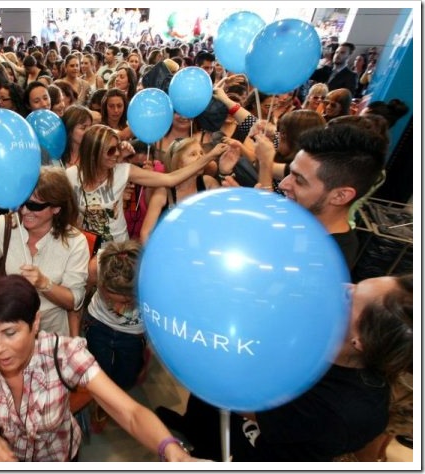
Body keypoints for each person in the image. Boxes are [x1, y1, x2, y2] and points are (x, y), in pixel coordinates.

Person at [155, 274, 413, 462]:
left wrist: (195, 354)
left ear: (361, 341)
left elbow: (237, 399)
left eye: (350, 296)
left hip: (255, 452)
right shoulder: (327, 333)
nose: (343, 286)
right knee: (205, 428)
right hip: (232, 421)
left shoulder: (341, 410)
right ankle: (193, 434)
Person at [0, 274, 201, 462]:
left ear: (35, 323)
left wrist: (170, 448)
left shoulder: (65, 355)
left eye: (9, 333)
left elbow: (130, 412)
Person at [67, 124, 227, 245]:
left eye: (117, 149)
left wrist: (209, 156)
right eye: (110, 151)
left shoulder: (123, 171)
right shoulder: (71, 176)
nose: (116, 154)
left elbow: (170, 179)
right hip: (85, 246)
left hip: (116, 248)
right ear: (93, 153)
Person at [0, 168, 89, 336]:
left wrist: (44, 284)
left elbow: (74, 300)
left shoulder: (75, 242)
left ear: (56, 208)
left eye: (34, 206)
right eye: (22, 202)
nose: (24, 211)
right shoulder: (6, 226)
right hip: (10, 328)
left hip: (52, 333)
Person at [277, 124, 386, 269]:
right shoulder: (304, 222)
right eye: (290, 173)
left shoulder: (325, 262)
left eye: (299, 180)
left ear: (340, 196)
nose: (283, 184)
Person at [83, 240, 148, 431]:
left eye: (127, 302)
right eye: (110, 300)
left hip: (133, 333)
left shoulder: (152, 277)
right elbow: (84, 291)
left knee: (126, 376)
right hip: (98, 323)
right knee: (98, 369)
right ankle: (103, 405)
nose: (118, 310)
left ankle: (140, 363)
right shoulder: (96, 266)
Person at [140, 137, 222, 242]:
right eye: (193, 154)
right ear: (178, 163)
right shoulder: (163, 192)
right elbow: (146, 233)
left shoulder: (209, 184)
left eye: (202, 153)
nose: (201, 157)